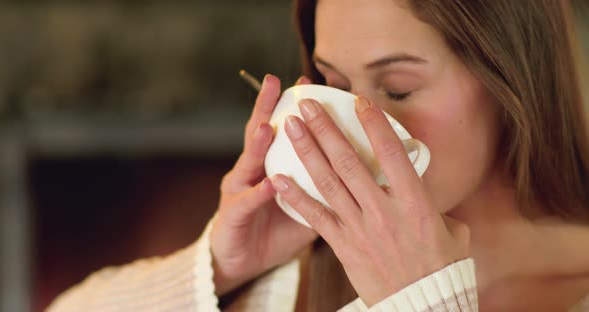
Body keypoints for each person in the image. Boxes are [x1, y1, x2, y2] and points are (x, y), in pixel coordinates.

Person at [48, 0, 589, 311]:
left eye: (398, 88)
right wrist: (219, 265)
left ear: (514, 86)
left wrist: (421, 300)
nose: (346, 127)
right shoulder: (297, 278)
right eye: (332, 83)